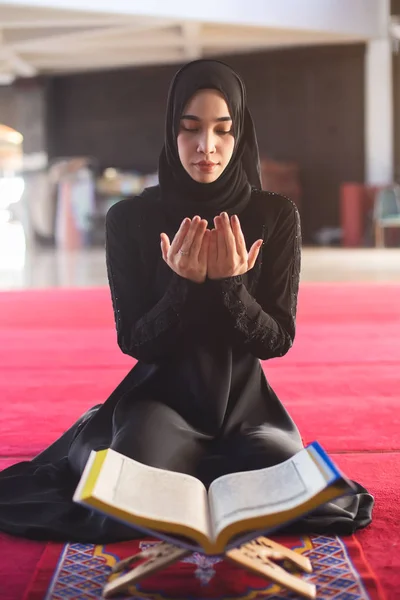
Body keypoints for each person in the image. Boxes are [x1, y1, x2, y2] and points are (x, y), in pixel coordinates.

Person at [0, 60, 373, 543]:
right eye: (190, 128)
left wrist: (230, 285)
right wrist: (180, 285)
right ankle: (105, 425)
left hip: (247, 407)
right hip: (160, 401)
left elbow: (276, 341)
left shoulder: (273, 215)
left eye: (222, 130)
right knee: (123, 505)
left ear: (240, 135)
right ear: (171, 130)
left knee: (301, 498)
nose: (206, 147)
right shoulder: (131, 218)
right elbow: (135, 342)